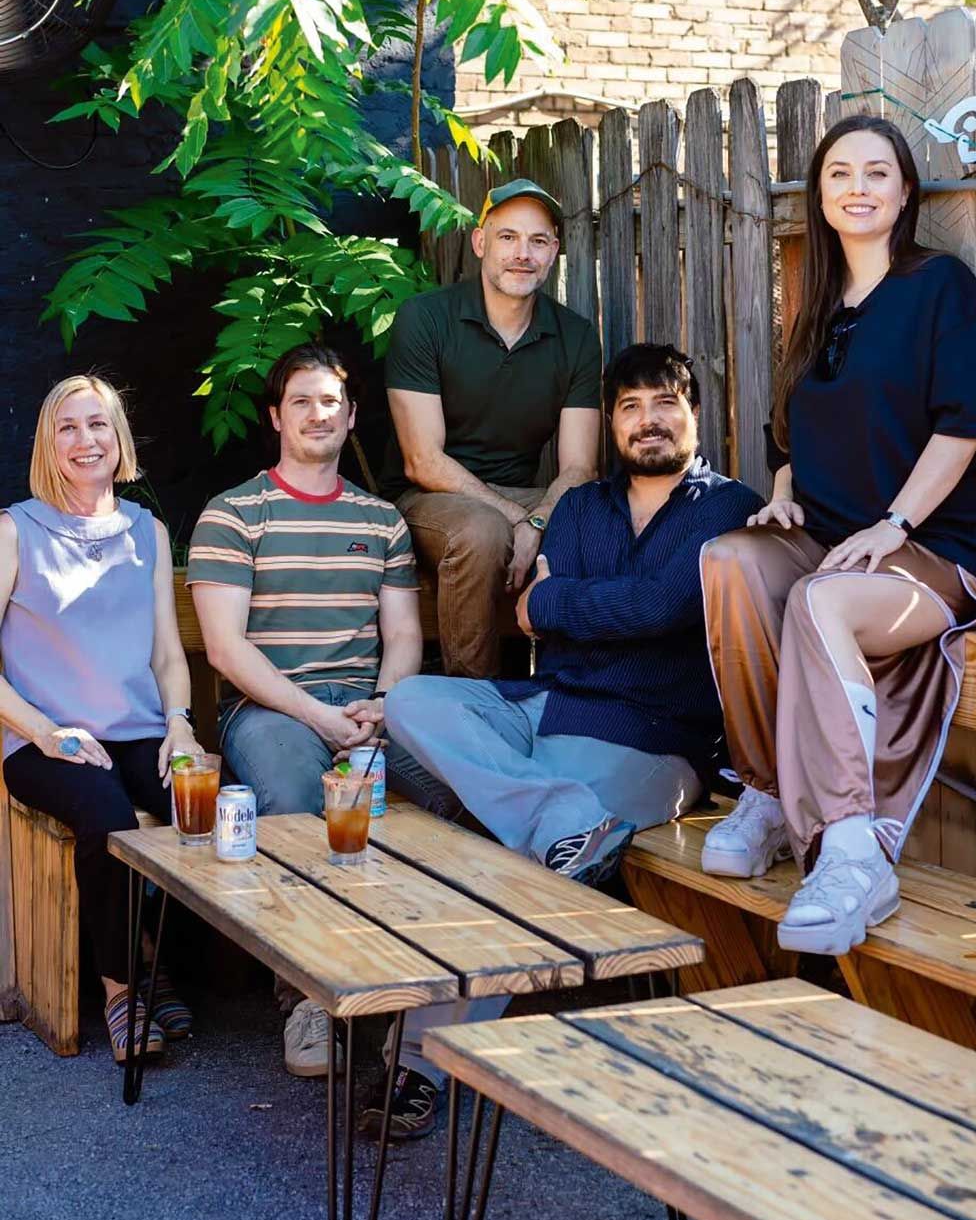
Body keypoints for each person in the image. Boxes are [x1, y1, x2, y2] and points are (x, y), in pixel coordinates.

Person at [367, 343, 761, 1139]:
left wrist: (563, 603)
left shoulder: (727, 508)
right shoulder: (579, 507)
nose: (648, 421)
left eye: (664, 404)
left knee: (504, 857)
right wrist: (579, 608)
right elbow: (531, 617)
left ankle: (416, 1064)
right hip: (546, 707)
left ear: (693, 414)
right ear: (611, 422)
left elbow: (660, 608)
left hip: (650, 739)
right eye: (630, 407)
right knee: (411, 700)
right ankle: (561, 822)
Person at [700, 114, 976, 957]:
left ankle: (850, 851)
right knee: (728, 561)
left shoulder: (940, 287)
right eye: (840, 173)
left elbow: (965, 425)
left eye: (877, 173)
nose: (858, 188)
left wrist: (894, 523)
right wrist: (782, 493)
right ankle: (768, 794)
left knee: (820, 600)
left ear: (904, 193)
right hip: (830, 537)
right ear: (820, 194)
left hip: (935, 552)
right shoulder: (815, 306)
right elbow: (788, 437)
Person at [187, 343, 421, 1078]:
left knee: (447, 794)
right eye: (301, 402)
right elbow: (225, 650)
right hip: (270, 709)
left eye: (330, 402)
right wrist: (320, 719)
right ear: (275, 417)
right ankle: (309, 1000)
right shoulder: (233, 514)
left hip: (368, 710)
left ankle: (418, 993)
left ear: (350, 417)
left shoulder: (382, 521)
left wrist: (382, 707)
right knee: (293, 801)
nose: (317, 414)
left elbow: (403, 636)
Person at [0, 375, 198, 1063]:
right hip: (44, 740)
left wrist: (181, 724)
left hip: (139, 729)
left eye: (98, 425)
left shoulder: (147, 532)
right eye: (68, 427)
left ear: (119, 438)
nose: (85, 440)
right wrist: (42, 730)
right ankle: (120, 990)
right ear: (47, 444)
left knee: (198, 804)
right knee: (108, 816)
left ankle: (155, 960)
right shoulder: (14, 530)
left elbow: (168, 654)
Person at [378, 178, 602, 677]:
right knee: (482, 530)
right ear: (481, 242)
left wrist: (537, 521)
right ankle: (471, 703)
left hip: (521, 496)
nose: (522, 254)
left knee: (597, 519)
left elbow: (579, 468)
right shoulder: (425, 318)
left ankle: (567, 696)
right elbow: (422, 461)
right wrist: (517, 519)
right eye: (507, 237)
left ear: (553, 253)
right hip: (428, 499)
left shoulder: (576, 336)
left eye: (538, 241)